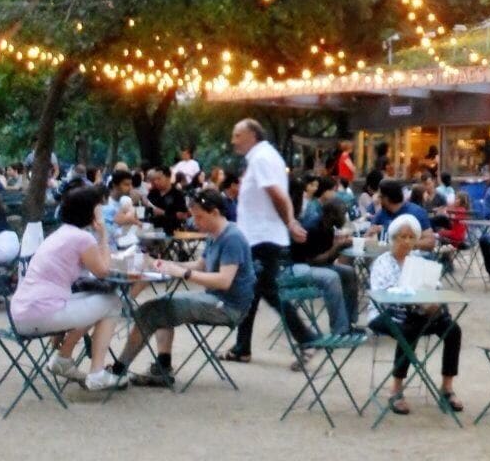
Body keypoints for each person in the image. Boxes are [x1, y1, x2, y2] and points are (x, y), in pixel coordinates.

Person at [110, 189, 255, 386]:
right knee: (162, 305)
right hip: (217, 300)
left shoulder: (232, 238)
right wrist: (165, 265)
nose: (195, 223)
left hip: (228, 307)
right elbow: (200, 265)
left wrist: (183, 273)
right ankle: (162, 367)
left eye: (199, 217)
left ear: (214, 213)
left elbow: (224, 281)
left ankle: (119, 370)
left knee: (149, 312)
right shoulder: (215, 233)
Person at [10, 186, 124, 391]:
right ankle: (97, 373)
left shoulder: (61, 233)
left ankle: (63, 358)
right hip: (39, 314)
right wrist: (103, 234)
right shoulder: (83, 238)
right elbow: (104, 271)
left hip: (24, 311)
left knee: (92, 299)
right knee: (113, 302)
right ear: (91, 212)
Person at [223, 119, 316, 365]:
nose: (234, 141)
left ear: (252, 135)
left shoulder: (261, 158)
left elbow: (276, 193)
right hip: (260, 235)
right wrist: (290, 221)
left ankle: (306, 338)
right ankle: (242, 347)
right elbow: (281, 195)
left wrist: (289, 222)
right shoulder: (266, 156)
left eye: (237, 135)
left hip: (261, 237)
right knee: (252, 293)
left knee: (268, 291)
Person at [368, 214, 463, 416]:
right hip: (385, 314)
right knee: (408, 330)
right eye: (402, 237)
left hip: (418, 314)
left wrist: (432, 302)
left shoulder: (418, 261)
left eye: (411, 237)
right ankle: (396, 389)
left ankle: (447, 387)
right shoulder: (382, 263)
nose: (407, 241)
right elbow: (381, 295)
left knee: (453, 330)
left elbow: (434, 287)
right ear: (393, 238)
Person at [291, 198, 358, 335]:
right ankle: (340, 330)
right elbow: (314, 260)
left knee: (348, 272)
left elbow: (328, 259)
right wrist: (337, 246)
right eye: (342, 214)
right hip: (300, 268)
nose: (345, 218)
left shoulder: (328, 227)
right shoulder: (313, 228)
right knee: (331, 277)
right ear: (331, 214)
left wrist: (340, 246)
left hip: (317, 266)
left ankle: (349, 323)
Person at [368, 179, 436, 251]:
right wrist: (372, 235)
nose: (378, 200)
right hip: (386, 258)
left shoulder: (416, 212)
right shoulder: (381, 213)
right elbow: (368, 238)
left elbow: (430, 242)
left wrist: (407, 243)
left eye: (380, 197)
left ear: (386, 198)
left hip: (411, 259)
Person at [101, 169, 140, 247]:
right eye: (126, 185)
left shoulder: (128, 200)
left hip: (127, 243)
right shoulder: (105, 203)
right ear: (115, 185)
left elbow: (136, 223)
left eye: (131, 185)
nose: (130, 188)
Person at [145, 166, 189, 235]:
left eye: (159, 179)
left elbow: (183, 215)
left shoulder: (177, 194)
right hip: (152, 230)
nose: (156, 182)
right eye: (154, 179)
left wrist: (164, 213)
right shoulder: (152, 193)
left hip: (172, 231)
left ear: (168, 178)